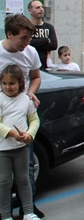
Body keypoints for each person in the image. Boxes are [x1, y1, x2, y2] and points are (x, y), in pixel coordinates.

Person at [0, 14, 44, 219]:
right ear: (10, 34)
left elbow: (35, 77)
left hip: (22, 116)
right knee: (3, 176)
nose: (27, 43)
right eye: (23, 38)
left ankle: (28, 209)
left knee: (26, 169)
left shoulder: (31, 52)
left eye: (29, 38)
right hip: (2, 118)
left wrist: (30, 93)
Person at [27, 0, 57, 70]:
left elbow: (54, 45)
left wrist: (35, 44)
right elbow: (27, 44)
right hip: (29, 65)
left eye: (42, 7)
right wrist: (45, 40)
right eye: (37, 7)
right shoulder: (26, 26)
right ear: (30, 11)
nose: (41, 9)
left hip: (44, 66)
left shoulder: (49, 27)